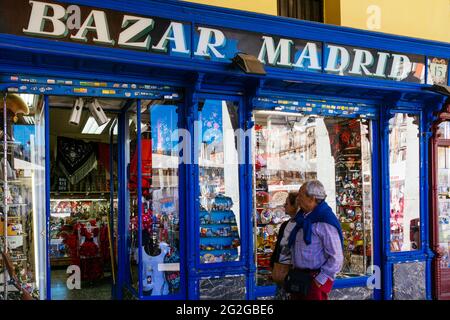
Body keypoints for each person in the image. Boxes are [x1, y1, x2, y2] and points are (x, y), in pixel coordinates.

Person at [288, 180, 344, 300]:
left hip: (314, 279)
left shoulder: (325, 221)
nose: (298, 199)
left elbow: (336, 257)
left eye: (301, 195)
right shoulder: (302, 218)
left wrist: (320, 279)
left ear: (312, 198)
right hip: (299, 278)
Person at [270, 192, 298, 300]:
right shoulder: (285, 225)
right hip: (281, 270)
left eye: (287, 203)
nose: (284, 206)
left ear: (294, 206)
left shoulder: (301, 225)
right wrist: (273, 264)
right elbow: (278, 247)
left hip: (293, 272)